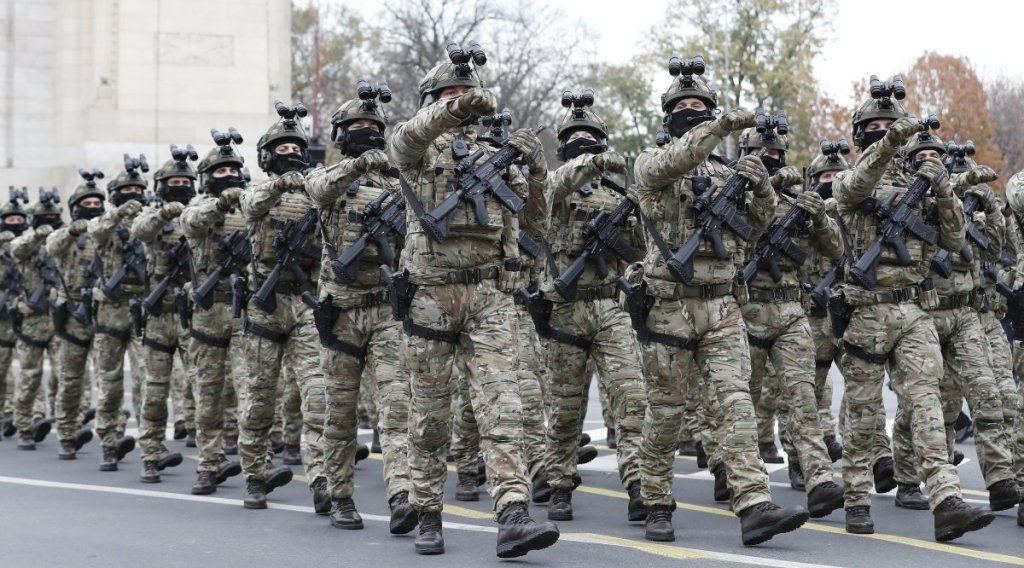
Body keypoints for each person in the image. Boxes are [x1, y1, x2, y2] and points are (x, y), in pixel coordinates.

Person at [388, 47, 559, 557]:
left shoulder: (493, 156)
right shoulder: (417, 149)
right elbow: (404, 139)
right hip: (431, 296)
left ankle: (513, 514)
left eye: (467, 92)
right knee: (430, 416)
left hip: (490, 296)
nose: (461, 99)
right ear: (432, 99)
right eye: (449, 93)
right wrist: (456, 109)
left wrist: (536, 169)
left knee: (503, 408)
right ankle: (427, 512)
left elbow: (537, 223)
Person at [631, 55, 809, 545]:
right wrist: (720, 128)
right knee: (666, 413)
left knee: (735, 405)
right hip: (668, 307)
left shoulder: (728, 172)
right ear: (668, 116)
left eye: (699, 106)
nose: (691, 111)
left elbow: (752, 229)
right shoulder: (651, 162)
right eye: (682, 106)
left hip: (722, 305)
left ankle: (753, 503)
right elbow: (677, 160)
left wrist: (762, 189)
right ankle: (656, 501)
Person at [833, 94, 994, 539]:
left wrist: (942, 189)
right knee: (863, 413)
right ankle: (856, 500)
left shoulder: (919, 181)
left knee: (926, 404)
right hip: (866, 309)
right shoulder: (851, 179)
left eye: (892, 126)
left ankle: (946, 499)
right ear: (861, 134)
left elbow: (954, 239)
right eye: (876, 127)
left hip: (914, 310)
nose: (883, 132)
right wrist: (890, 144)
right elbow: (856, 188)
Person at [306, 84, 413, 532]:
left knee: (397, 405)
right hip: (342, 310)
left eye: (373, 125)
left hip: (386, 309)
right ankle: (340, 495)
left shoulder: (397, 182)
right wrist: (357, 166)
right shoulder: (327, 177)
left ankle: (402, 494)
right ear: (341, 134)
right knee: (340, 411)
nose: (367, 130)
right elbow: (319, 191)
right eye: (357, 125)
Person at [238, 105, 328, 513]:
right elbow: (252, 204)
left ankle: (323, 479)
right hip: (265, 305)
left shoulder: (316, 194)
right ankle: (256, 475)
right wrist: (279, 186)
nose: (290, 153)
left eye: (295, 147)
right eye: (282, 148)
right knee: (260, 399)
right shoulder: (256, 193)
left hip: (305, 302)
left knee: (318, 397)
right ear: (267, 156)